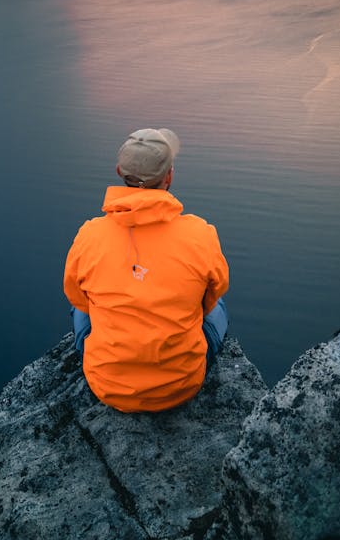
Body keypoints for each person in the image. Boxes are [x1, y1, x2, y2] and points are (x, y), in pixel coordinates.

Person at [63, 128, 230, 413]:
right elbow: (213, 294)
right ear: (169, 176)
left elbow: (76, 296)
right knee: (215, 302)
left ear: (118, 171)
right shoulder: (200, 234)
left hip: (107, 385)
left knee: (84, 306)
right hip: (183, 384)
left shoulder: (89, 235)